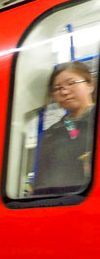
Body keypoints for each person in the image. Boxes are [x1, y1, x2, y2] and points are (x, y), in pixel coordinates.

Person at [33, 61, 96, 194]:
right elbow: (42, 182)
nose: (64, 91)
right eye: (57, 88)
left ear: (90, 85)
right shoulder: (51, 134)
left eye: (71, 83)